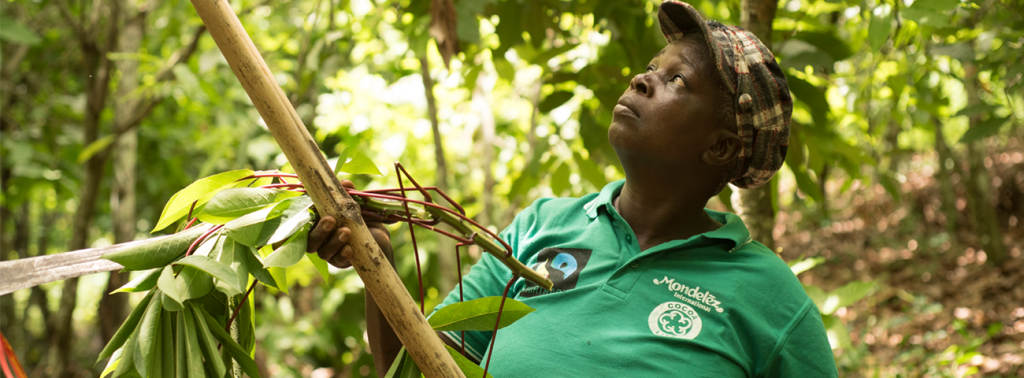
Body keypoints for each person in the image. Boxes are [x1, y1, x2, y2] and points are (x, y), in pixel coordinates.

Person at [308, 1, 838, 376]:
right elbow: (422, 367)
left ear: (721, 148)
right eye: (652, 67)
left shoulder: (769, 299)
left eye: (678, 81)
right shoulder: (542, 225)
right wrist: (373, 260)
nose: (641, 79)